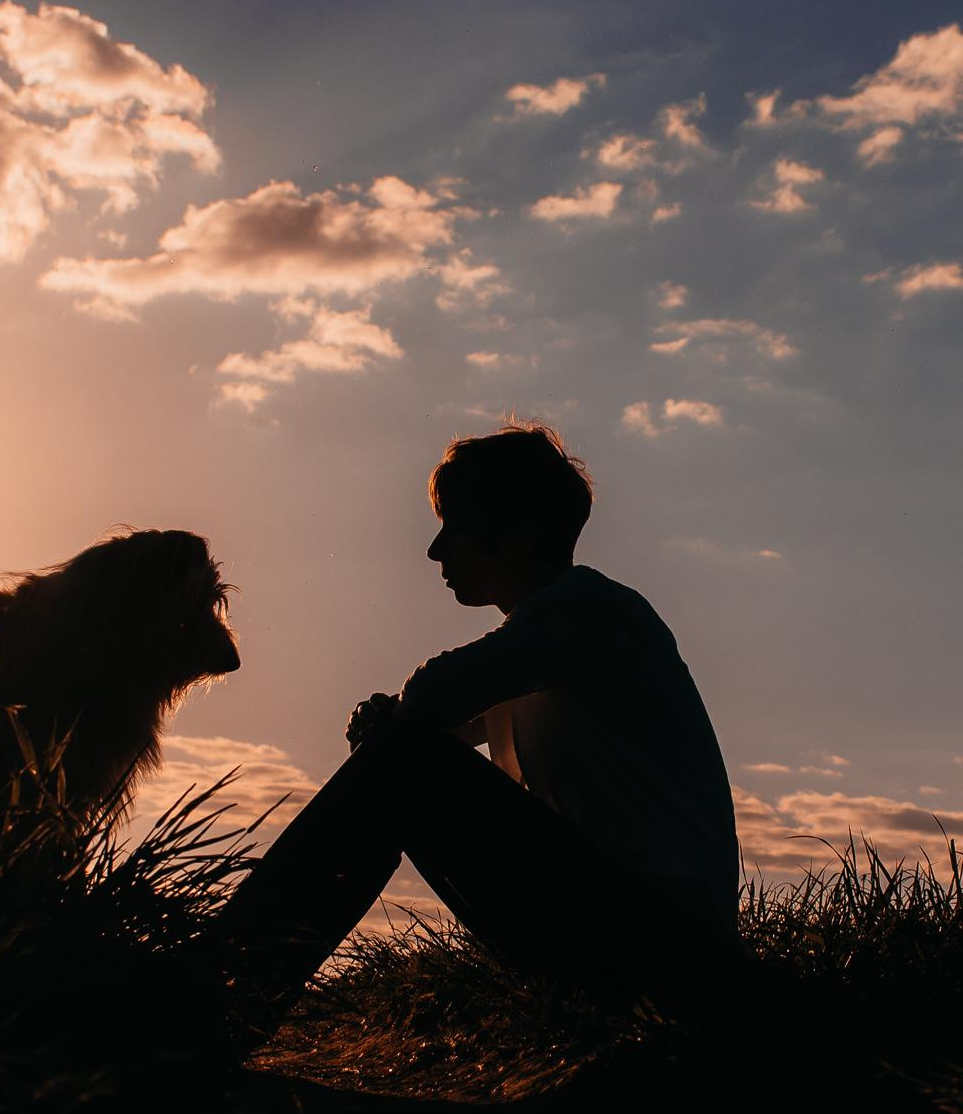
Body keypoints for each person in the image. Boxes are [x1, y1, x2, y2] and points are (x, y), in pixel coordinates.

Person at [221, 420, 746, 1014]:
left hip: (668, 951)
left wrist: (396, 725)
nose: (435, 550)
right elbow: (441, 719)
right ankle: (228, 989)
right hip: (633, 937)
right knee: (404, 755)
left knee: (404, 762)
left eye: (455, 528)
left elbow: (433, 700)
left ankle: (220, 991)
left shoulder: (588, 611)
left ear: (518, 534)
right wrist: (398, 726)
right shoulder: (550, 642)